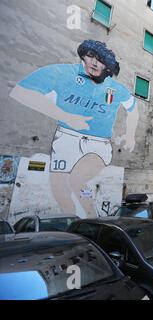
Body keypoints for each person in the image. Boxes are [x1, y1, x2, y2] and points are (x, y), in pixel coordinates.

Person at [9, 40, 139, 218]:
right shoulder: (62, 72)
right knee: (58, 187)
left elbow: (133, 108)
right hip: (65, 138)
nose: (94, 62)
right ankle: (71, 225)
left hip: (98, 143)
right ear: (83, 56)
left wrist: (130, 135)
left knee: (77, 179)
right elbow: (20, 91)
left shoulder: (115, 88)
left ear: (107, 67)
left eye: (100, 60)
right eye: (90, 56)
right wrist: (67, 117)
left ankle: (92, 218)